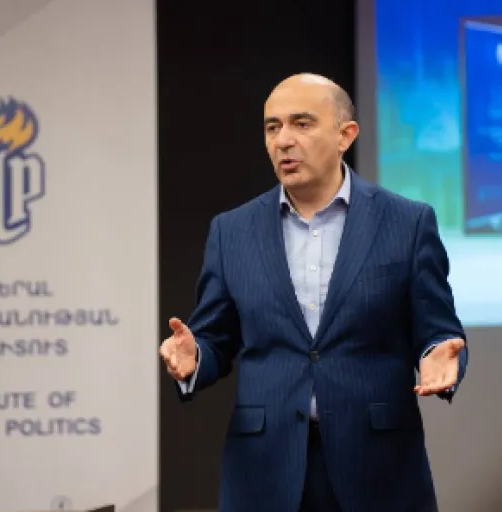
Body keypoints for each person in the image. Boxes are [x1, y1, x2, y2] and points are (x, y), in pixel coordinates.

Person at [159, 73, 468, 512]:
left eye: (302, 124)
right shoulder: (232, 231)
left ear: (346, 135)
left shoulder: (408, 223)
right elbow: (215, 338)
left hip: (378, 468)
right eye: (272, 127)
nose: (283, 140)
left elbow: (438, 331)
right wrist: (194, 357)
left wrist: (438, 354)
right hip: (265, 469)